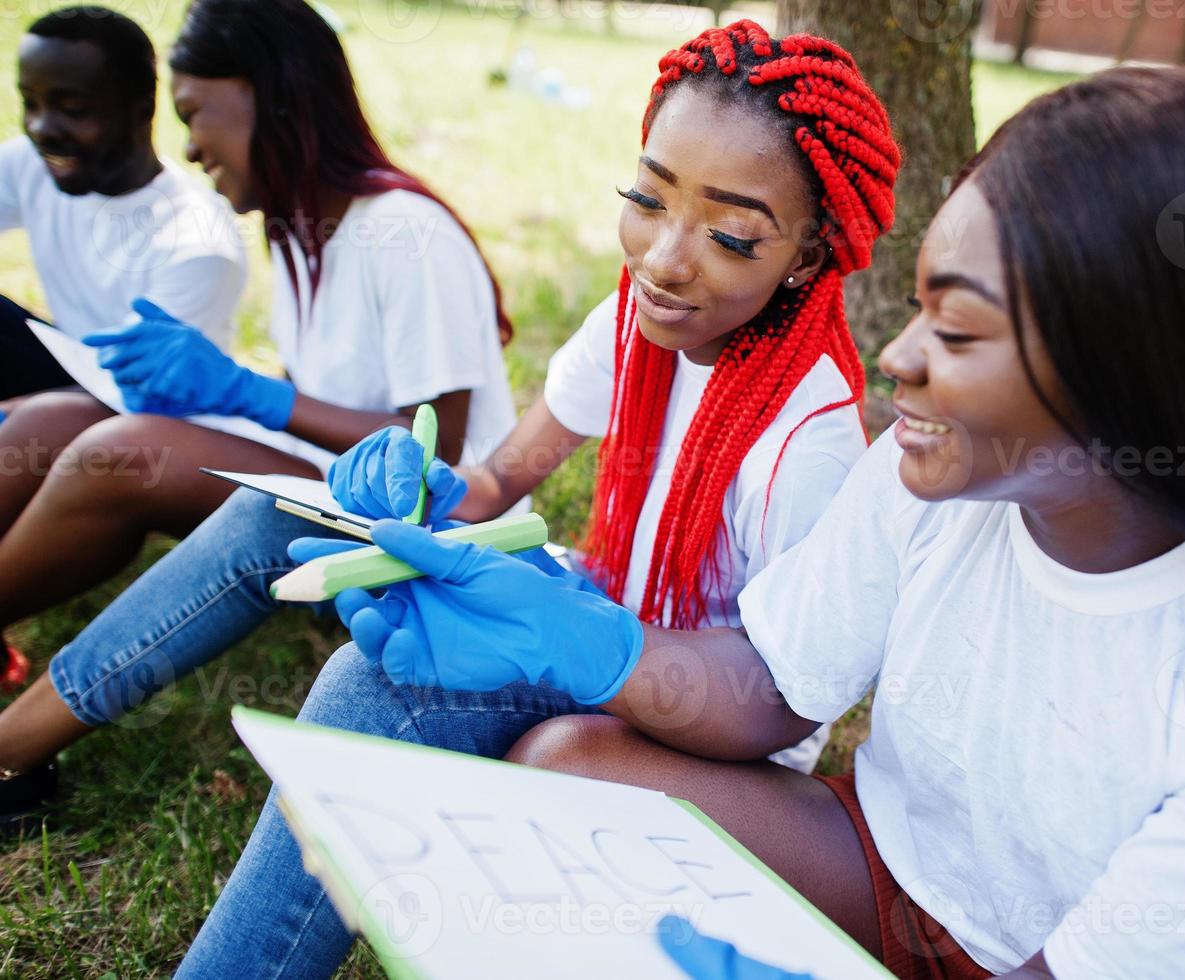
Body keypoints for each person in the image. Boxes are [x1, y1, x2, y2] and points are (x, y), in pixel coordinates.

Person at [197, 66, 1185, 978]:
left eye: (958, 329)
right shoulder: (945, 479)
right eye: (917, 306)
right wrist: (580, 647)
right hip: (876, 862)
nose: (900, 358)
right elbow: (765, 684)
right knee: (566, 774)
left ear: (1146, 372)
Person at [0, 18, 897, 842]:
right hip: (601, 623)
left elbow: (780, 704)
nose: (663, 260)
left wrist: (573, 631)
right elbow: (498, 482)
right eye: (647, 197)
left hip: (685, 719)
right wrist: (433, 488)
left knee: (343, 644)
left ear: (806, 254)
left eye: (732, 236)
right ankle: (17, 743)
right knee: (181, 480)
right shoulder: (632, 323)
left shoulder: (807, 446)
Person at [0, 0, 518, 814]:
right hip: (333, 486)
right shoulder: (304, 233)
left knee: (120, 450)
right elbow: (326, 396)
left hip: (424, 532)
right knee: (55, 419)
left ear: (268, 94)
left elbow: (434, 462)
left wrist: (248, 395)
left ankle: (11, 755)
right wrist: (216, 387)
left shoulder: (406, 232)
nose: (189, 147)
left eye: (194, 114)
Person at [1, 4, 248, 692]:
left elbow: (133, 394)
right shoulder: (32, 163)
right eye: (31, 103)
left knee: (64, 424)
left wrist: (20, 408)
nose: (44, 127)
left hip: (157, 412)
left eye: (72, 107)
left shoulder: (195, 240)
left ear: (142, 107)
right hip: (71, 369)